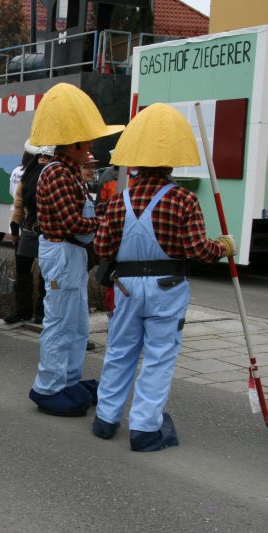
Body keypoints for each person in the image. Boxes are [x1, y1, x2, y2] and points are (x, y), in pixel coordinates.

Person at [92, 103, 235, 451]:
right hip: (167, 288)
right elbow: (198, 250)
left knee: (120, 352)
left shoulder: (119, 200)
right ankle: (144, 429)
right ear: (170, 163)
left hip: (126, 287)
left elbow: (101, 247)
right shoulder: (184, 199)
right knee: (158, 357)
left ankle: (106, 419)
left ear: (137, 162)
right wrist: (223, 246)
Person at [27, 82, 123, 417]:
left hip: (71, 254)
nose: (92, 145)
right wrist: (105, 220)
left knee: (77, 323)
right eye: (88, 140)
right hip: (61, 251)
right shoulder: (57, 173)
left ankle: (68, 380)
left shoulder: (69, 172)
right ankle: (48, 387)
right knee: (59, 322)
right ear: (73, 144)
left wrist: (103, 214)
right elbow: (72, 222)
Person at [6, 145, 52, 324]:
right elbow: (18, 205)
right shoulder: (26, 179)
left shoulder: (55, 180)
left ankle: (42, 312)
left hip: (48, 233)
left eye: (46, 157)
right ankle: (22, 311)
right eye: (40, 156)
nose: (42, 159)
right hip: (28, 230)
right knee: (22, 271)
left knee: (45, 274)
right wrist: (14, 230)